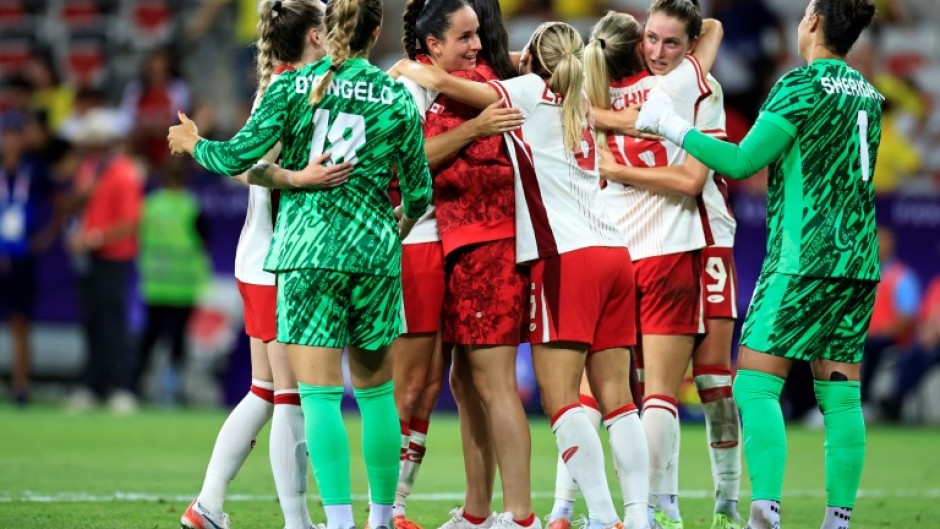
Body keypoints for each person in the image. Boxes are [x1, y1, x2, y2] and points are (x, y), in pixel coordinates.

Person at [168, 2, 432, 529]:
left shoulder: (293, 87)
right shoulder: (396, 94)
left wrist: (193, 142)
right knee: (377, 394)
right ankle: (380, 520)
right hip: (374, 255)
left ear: (327, 30)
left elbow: (235, 158)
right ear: (377, 32)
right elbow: (420, 191)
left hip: (307, 256)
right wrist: (394, 226)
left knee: (315, 397)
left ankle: (332, 523)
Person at [392, 19, 647, 529]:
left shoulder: (527, 91)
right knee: (617, 399)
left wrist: (405, 67)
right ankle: (637, 517)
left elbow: (448, 83)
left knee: (559, 399)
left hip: (567, 257)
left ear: (534, 56)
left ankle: (594, 515)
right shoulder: (579, 98)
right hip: (616, 251)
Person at [636, 1, 881, 527]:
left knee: (754, 385)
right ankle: (838, 519)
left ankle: (766, 508)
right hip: (859, 262)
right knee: (840, 394)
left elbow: (744, 160)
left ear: (813, 21)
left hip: (804, 257)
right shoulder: (869, 94)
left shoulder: (800, 85)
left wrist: (670, 126)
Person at [588, 5, 741, 528]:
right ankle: (663, 505)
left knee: (714, 381)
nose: (656, 52)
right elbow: (714, 28)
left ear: (689, 46)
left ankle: (724, 504)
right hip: (660, 244)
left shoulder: (694, 86)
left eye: (671, 44)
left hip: (707, 233)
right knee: (653, 383)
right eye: (650, 39)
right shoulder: (673, 81)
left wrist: (615, 161)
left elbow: (692, 182)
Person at [175, 2, 328, 529]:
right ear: (313, 35)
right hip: (277, 260)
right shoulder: (294, 91)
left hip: (262, 255)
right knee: (289, 395)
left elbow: (249, 168)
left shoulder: (284, 88)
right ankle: (295, 520)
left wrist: (282, 176)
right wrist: (298, 179)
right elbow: (243, 164)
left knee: (267, 391)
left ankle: (209, 505)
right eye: (328, 27)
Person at [394, 1, 526, 529]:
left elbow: (499, 89)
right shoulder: (408, 89)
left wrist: (424, 72)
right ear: (433, 45)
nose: (474, 46)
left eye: (477, 34)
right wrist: (417, 74)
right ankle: (470, 513)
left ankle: (521, 517)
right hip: (436, 248)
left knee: (488, 386)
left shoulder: (486, 84)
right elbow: (405, 157)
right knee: (449, 385)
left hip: (483, 252)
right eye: (463, 37)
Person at [63, 107, 143, 415]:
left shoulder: (123, 172)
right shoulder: (90, 169)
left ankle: (122, 388)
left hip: (113, 258)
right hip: (90, 258)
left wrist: (93, 237)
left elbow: (130, 222)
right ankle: (92, 386)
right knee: (92, 323)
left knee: (112, 325)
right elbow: (82, 206)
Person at [136, 156, 210, 405]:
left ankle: (137, 387)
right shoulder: (191, 205)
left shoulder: (150, 204)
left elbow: (140, 237)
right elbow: (203, 241)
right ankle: (173, 390)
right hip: (183, 286)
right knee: (178, 340)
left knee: (150, 338)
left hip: (155, 283)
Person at [0, 112, 58, 406]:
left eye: (14, 135)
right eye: (5, 135)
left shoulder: (34, 170)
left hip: (22, 255)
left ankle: (21, 385)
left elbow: (60, 202)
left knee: (21, 322)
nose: (9, 141)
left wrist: (45, 237)